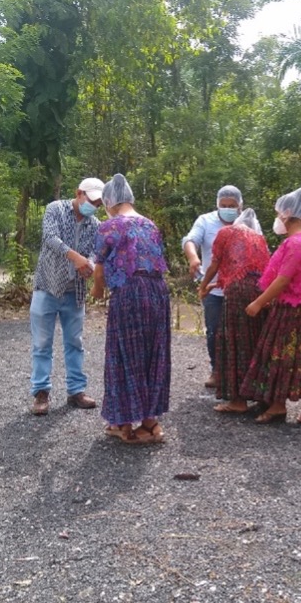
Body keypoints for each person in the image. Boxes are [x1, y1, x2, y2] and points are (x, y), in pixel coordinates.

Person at [240, 187, 301, 424]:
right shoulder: (298, 240)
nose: (277, 218)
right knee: (298, 355)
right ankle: (281, 404)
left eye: (278, 212)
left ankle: (299, 406)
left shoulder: (298, 243)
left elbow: (283, 279)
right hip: (298, 307)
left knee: (282, 354)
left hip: (297, 310)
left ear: (288, 213)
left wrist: (259, 303)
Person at [91, 174, 171, 444]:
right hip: (158, 292)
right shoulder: (150, 225)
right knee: (152, 353)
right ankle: (150, 422)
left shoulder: (109, 227)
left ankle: (124, 423)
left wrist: (97, 290)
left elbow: (99, 269)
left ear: (109, 201)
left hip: (128, 293)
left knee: (124, 354)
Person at [29, 177, 104, 415]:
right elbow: (51, 239)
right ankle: (41, 393)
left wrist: (89, 263)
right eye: (92, 200)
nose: (94, 206)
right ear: (79, 193)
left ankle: (76, 391)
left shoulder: (96, 224)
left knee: (75, 343)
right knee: (41, 343)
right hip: (47, 286)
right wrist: (76, 257)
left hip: (75, 292)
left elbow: (96, 250)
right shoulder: (56, 209)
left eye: (99, 203)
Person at [198, 208, 271, 413]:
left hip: (238, 293)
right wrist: (215, 286)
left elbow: (215, 265)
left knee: (235, 341)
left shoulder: (226, 232)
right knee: (256, 341)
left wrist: (204, 286)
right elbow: (250, 270)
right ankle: (261, 395)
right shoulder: (259, 239)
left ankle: (237, 401)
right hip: (260, 292)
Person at [182, 186, 243, 389]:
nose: (227, 209)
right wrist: (193, 258)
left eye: (231, 206)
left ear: (239, 206)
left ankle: (239, 373)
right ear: (217, 204)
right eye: (223, 206)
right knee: (214, 331)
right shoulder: (205, 221)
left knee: (241, 332)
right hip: (213, 289)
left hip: (241, 289)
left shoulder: (247, 222)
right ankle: (217, 370)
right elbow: (191, 240)